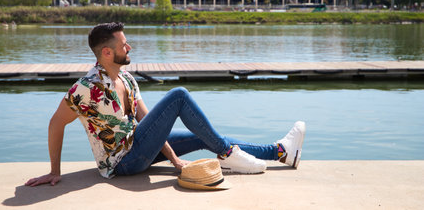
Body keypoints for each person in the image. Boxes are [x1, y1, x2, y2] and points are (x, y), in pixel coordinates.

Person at [25, 22, 306, 187]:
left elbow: (151, 124)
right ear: (107, 52)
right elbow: (55, 123)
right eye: (124, 45)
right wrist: (54, 171)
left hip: (141, 148)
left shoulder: (127, 78)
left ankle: (280, 152)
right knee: (179, 95)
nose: (129, 48)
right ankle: (228, 153)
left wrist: (175, 161)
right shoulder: (85, 88)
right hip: (122, 163)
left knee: (202, 136)